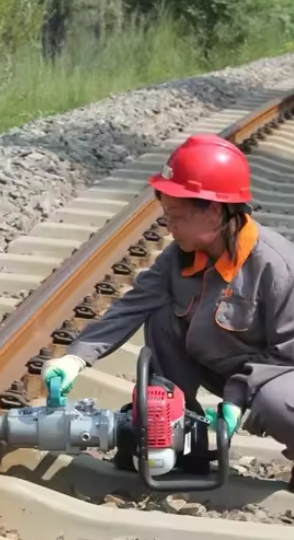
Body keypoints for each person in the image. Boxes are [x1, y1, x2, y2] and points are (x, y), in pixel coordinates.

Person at [41, 133, 294, 490]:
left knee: (280, 403)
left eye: (175, 216)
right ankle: (183, 441)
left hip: (276, 374)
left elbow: (288, 355)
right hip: (221, 364)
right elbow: (133, 305)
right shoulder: (178, 257)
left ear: (215, 211)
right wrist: (77, 359)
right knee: (161, 314)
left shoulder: (277, 266)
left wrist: (237, 399)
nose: (168, 226)